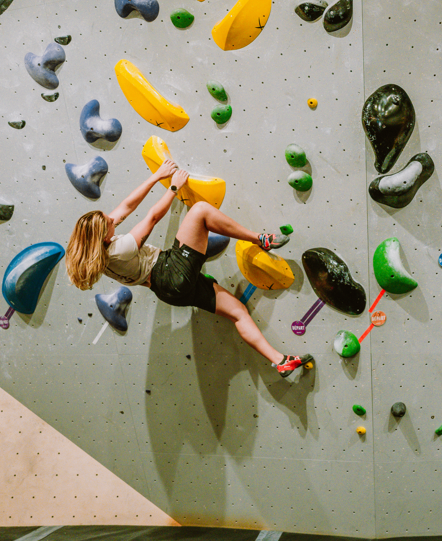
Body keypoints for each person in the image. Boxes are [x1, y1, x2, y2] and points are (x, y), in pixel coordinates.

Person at [66, 159, 311, 379]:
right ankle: (260, 239)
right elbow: (151, 217)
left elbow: (126, 206)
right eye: (109, 224)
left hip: (169, 291)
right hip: (169, 271)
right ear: (104, 237)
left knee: (237, 311)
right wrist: (173, 187)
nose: (112, 220)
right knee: (200, 211)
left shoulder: (98, 255)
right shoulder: (120, 248)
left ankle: (279, 361)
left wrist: (155, 177)